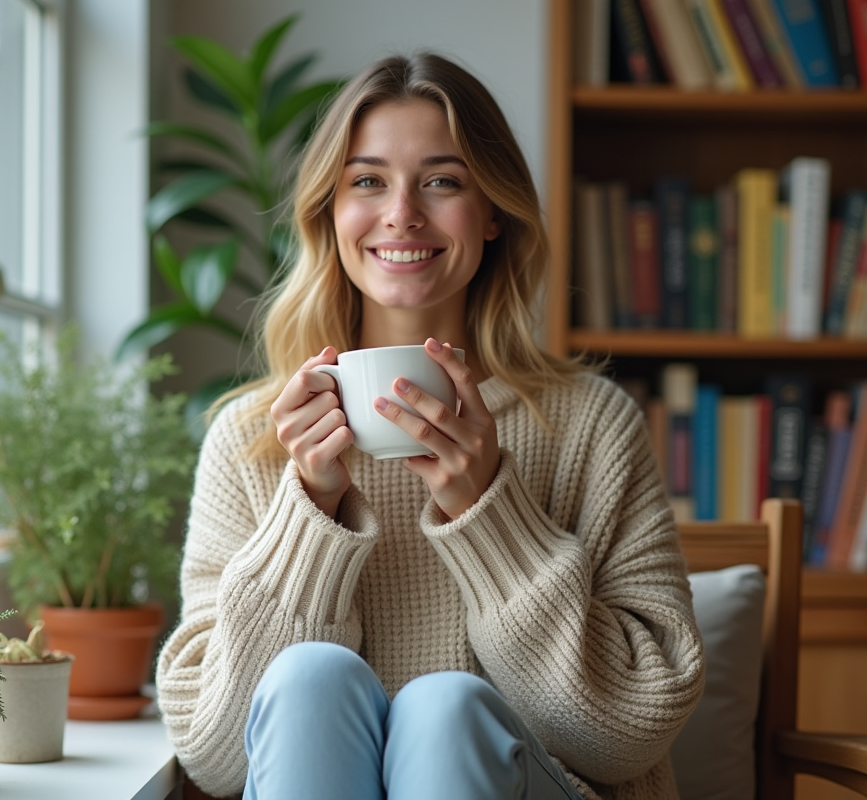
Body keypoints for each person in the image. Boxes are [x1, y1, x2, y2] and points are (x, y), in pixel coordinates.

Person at [155, 52, 704, 800]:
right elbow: (217, 758)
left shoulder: (590, 425)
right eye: (367, 181)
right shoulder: (254, 438)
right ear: (329, 212)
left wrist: (490, 510)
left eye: (442, 181)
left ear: (494, 213)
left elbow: (628, 733)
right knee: (310, 678)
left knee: (445, 707)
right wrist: (309, 510)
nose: (402, 213)